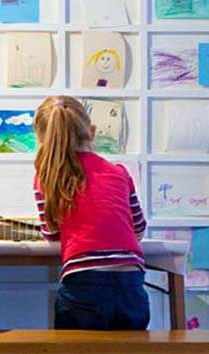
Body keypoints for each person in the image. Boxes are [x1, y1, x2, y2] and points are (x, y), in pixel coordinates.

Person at [33, 96, 149, 330]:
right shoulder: (118, 173)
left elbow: (51, 234)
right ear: (92, 132)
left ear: (43, 142)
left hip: (84, 284)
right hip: (131, 284)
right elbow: (139, 228)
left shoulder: (47, 178)